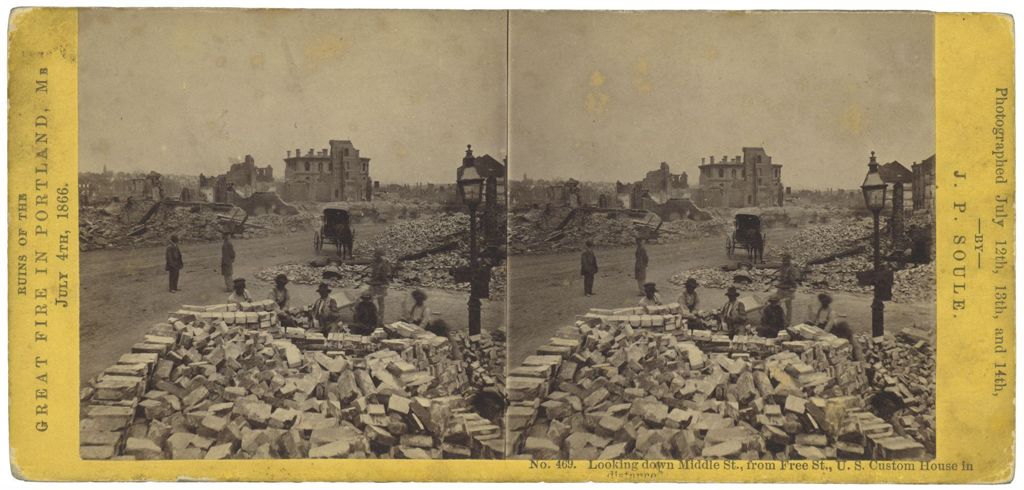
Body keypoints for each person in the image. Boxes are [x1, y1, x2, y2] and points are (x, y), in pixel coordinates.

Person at [366, 250, 392, 326]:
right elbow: (374, 274)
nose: (375, 257)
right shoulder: (375, 262)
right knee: (372, 301)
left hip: (380, 285)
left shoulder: (384, 264)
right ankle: (373, 318)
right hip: (376, 284)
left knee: (379, 302)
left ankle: (379, 320)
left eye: (376, 256)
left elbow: (386, 275)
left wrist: (372, 281)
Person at [775, 253, 800, 326]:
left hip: (788, 288)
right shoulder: (783, 267)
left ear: (788, 260)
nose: (784, 261)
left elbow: (793, 280)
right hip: (782, 288)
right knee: (778, 304)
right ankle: (781, 319)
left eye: (785, 260)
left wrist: (793, 287)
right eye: (783, 260)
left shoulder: (792, 269)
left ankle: (787, 321)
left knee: (788, 306)